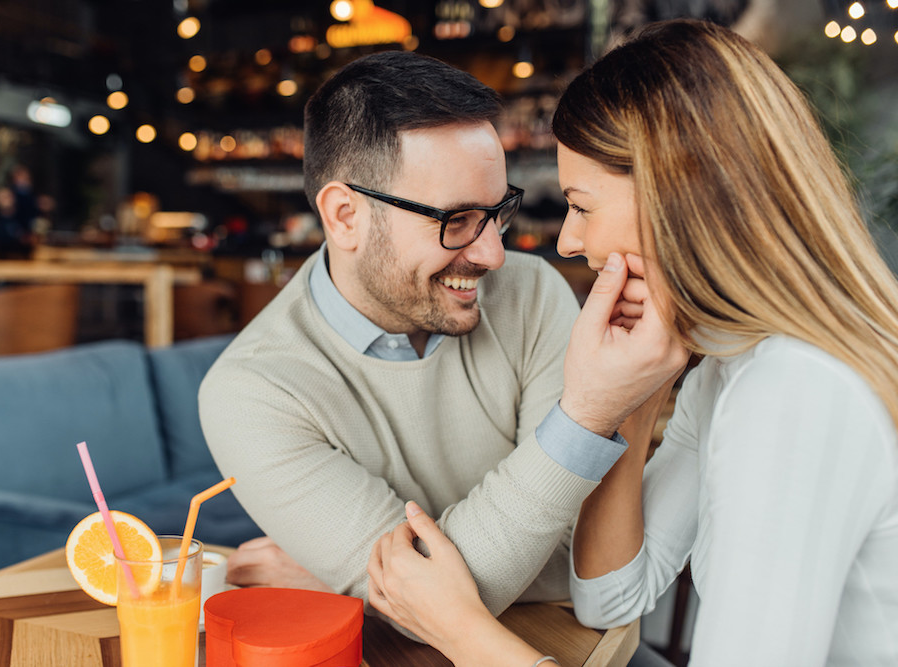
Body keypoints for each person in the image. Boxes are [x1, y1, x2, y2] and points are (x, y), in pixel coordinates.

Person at [367, 19, 898, 666]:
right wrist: (629, 395)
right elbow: (610, 597)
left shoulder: (791, 391)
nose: (569, 241)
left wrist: (459, 628)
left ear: (681, 201)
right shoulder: (730, 368)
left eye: (582, 206)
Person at [199, 50, 682, 618]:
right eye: (456, 221)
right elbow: (428, 612)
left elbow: (584, 557)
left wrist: (355, 585)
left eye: (498, 212)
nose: (494, 255)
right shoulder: (250, 394)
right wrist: (583, 421)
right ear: (346, 216)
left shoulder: (530, 294)